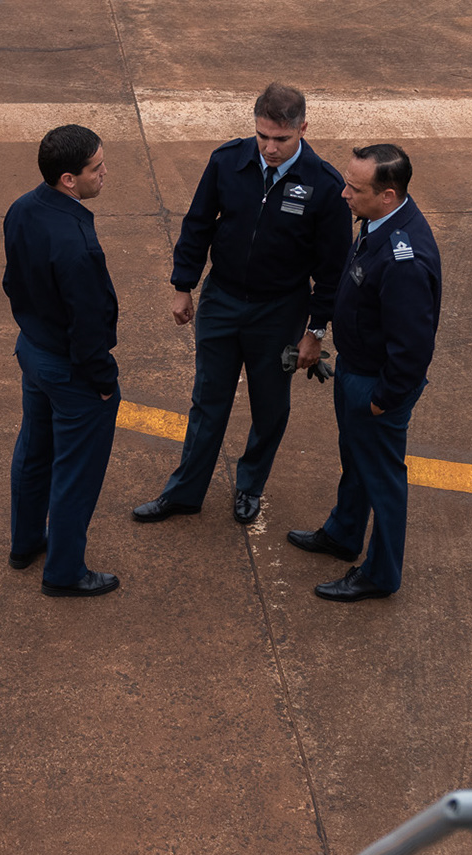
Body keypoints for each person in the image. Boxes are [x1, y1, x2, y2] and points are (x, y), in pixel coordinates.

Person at [132, 83, 352, 527]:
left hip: (280, 312)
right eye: (263, 136)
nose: (270, 148)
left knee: (270, 406)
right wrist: (183, 285)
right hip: (221, 301)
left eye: (282, 139)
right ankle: (185, 492)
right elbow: (197, 224)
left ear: (303, 129)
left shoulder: (325, 186)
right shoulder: (226, 161)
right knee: (207, 400)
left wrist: (316, 330)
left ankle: (249, 486)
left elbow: (333, 271)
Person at [287, 143, 441, 602]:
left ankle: (380, 573)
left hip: (376, 385)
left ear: (388, 195)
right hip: (356, 371)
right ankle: (344, 533)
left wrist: (384, 399)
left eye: (354, 189)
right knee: (356, 460)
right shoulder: (377, 221)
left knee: (383, 478)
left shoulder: (404, 258)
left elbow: (413, 347)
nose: (343, 195)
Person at [3, 124, 123, 598]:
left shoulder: (22, 209)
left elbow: (12, 281)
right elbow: (89, 324)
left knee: (34, 452)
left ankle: (26, 543)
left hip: (33, 350)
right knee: (75, 472)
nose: (104, 173)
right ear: (69, 179)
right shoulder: (77, 243)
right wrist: (103, 380)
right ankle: (65, 571)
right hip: (71, 369)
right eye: (97, 168)